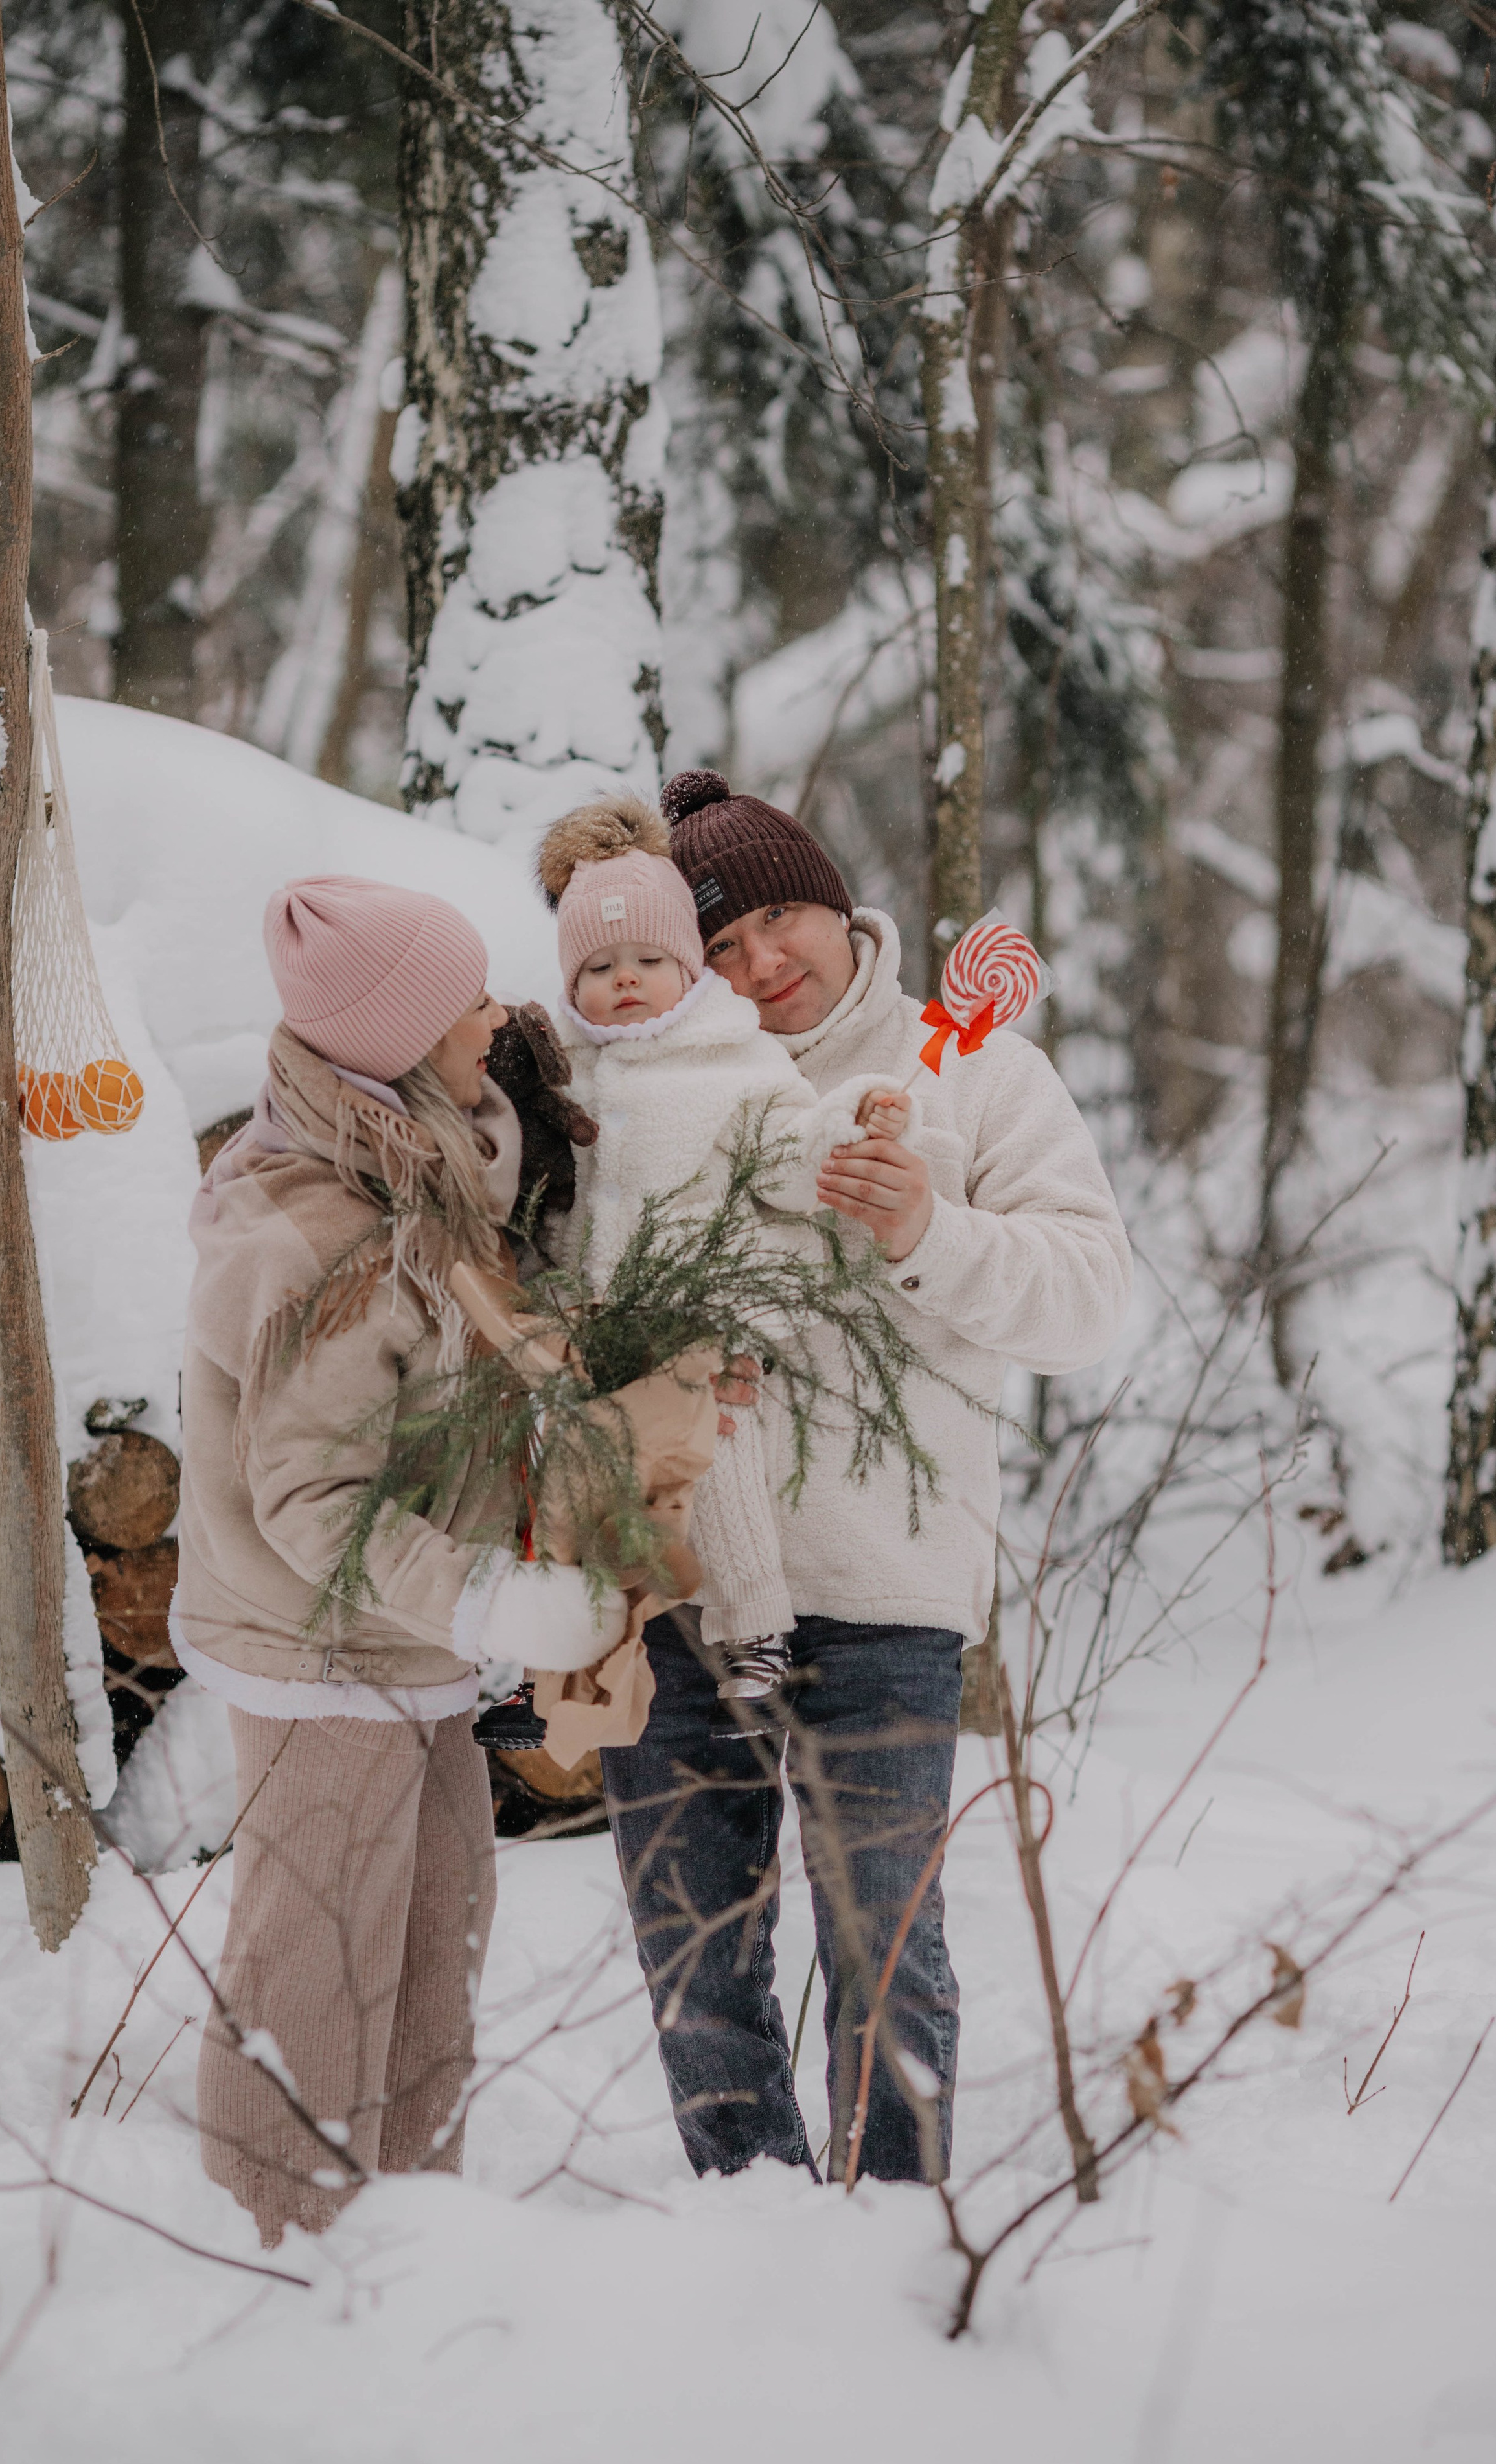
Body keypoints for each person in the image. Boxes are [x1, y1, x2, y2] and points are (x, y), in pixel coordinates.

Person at [601, 773, 1133, 2185]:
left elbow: (1092, 1300)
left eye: (781, 916)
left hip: (884, 1592)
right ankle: (747, 2212)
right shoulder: (644, 1076)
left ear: (839, 906)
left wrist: (926, 1229)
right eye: (719, 947)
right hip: (684, 1583)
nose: (761, 962)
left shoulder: (967, 1069)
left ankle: (895, 2223)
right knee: (693, 1948)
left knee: (884, 1939)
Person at [174, 874, 629, 2244]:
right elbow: (315, 1500)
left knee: (437, 1941)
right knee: (310, 1966)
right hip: (323, 1646)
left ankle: (415, 2242)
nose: (495, 1016)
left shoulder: (437, 1165)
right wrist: (487, 1591)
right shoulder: (313, 1230)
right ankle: (278, 2242)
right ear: (391, 1036)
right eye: (464, 1000)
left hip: (409, 1644)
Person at [531, 791, 912, 1721]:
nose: (627, 982)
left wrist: (847, 1122)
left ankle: (755, 1624)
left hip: (704, 1327)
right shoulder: (562, 1070)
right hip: (596, 1336)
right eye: (601, 967)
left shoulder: (735, 1062)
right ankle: (555, 1661)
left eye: (652, 961)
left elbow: (787, 1153)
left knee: (722, 1463)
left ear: (689, 976)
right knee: (572, 1488)